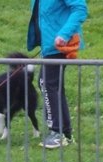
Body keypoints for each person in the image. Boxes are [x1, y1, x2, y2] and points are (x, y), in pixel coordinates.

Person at [27, 0, 88, 149]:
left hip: (60, 45)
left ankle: (57, 131)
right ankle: (64, 132)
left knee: (47, 83)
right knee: (52, 85)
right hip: (49, 46)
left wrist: (64, 34)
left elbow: (80, 9)